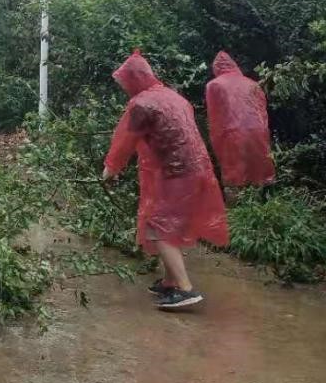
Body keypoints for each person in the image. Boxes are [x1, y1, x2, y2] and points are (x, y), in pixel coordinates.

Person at [102, 50, 229, 311]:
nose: (124, 88)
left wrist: (109, 172)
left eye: (125, 82)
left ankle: (185, 289)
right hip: (198, 169)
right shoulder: (174, 96)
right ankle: (170, 281)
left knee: (157, 225)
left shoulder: (141, 104)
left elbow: (124, 143)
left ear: (133, 79)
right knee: (172, 225)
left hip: (176, 173)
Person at [205, 50, 275, 196]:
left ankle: (237, 207)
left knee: (234, 176)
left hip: (232, 133)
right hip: (258, 131)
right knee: (261, 172)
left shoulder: (214, 85)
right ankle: (267, 202)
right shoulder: (253, 83)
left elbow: (215, 117)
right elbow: (262, 111)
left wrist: (216, 140)